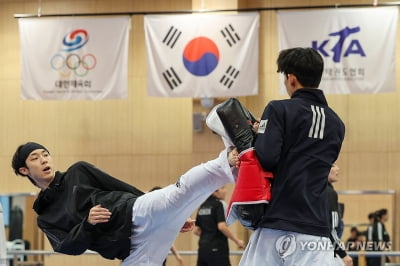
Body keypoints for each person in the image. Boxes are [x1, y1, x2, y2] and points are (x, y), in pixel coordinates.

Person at [11, 142, 239, 266]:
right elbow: (68, 247)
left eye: (45, 154)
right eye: (35, 158)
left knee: (176, 194)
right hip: (131, 250)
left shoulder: (78, 172)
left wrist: (169, 213)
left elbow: (120, 186)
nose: (43, 160)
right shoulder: (45, 218)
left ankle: (227, 161)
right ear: (24, 170)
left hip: (134, 213)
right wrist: (87, 224)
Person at [239, 47, 346, 265]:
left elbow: (266, 158)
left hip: (277, 222)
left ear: (291, 78)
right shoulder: (337, 124)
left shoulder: (278, 110)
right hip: (316, 228)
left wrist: (261, 134)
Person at [194, 186, 245, 266]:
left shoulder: (202, 206)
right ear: (215, 191)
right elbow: (221, 226)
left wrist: (208, 235)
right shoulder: (218, 204)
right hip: (217, 249)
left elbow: (196, 230)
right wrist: (237, 241)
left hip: (203, 248)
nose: (225, 191)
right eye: (222, 188)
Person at [149, 186, 184, 266]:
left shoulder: (162, 218)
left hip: (159, 257)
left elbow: (165, 238)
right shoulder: (146, 217)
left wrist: (177, 255)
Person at [327, 164, 353, 266]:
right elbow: (331, 228)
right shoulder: (329, 193)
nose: (338, 168)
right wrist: (343, 255)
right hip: (324, 251)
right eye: (333, 165)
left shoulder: (313, 191)